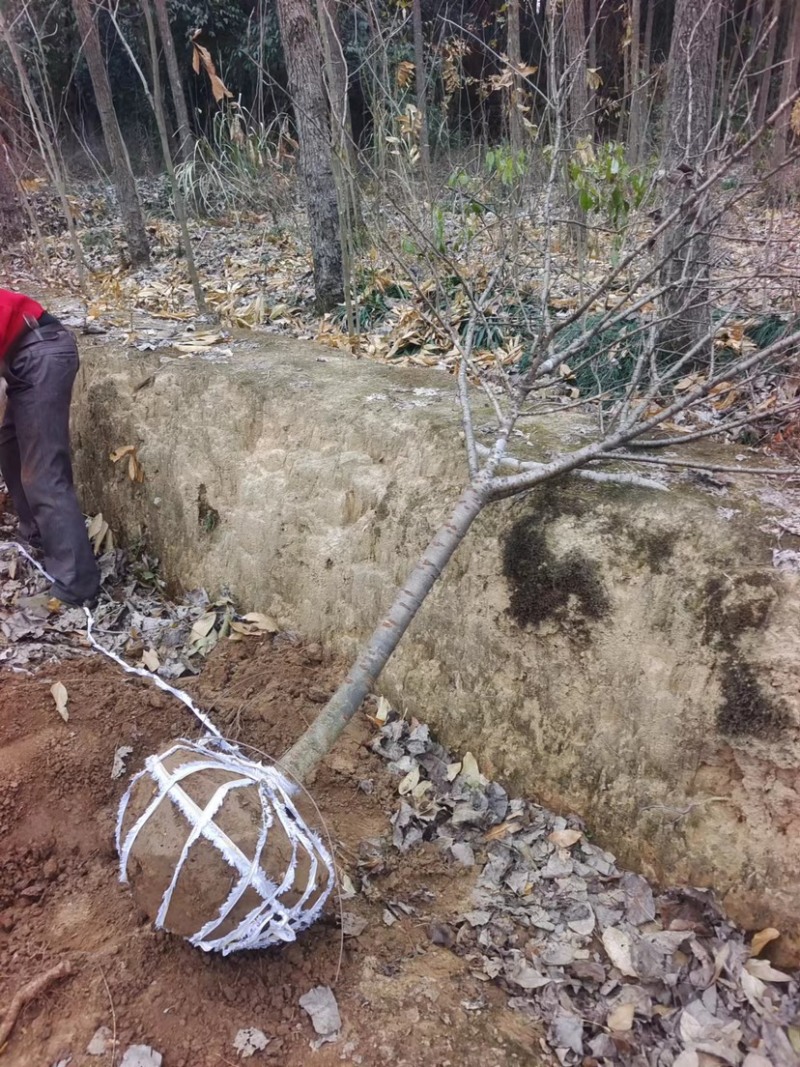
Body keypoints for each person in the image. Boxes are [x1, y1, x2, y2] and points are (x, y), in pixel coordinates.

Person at [0, 288, 100, 607]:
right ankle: (37, 535)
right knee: (9, 444)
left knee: (43, 472)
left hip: (42, 351)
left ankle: (77, 584)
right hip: (23, 354)